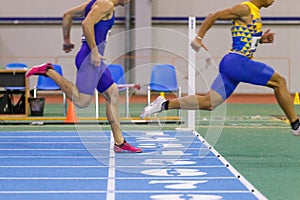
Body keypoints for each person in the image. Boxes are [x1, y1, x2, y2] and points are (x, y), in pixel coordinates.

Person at [140, 0, 300, 136]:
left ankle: (163, 104)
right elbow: (213, 15)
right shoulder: (244, 8)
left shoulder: (255, 14)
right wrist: (199, 37)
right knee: (279, 82)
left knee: (208, 103)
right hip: (237, 62)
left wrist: (261, 39)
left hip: (234, 65)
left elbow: (244, 39)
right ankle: (296, 124)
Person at [26, 0, 142, 152]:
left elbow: (67, 15)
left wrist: (67, 40)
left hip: (93, 59)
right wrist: (94, 51)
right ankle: (48, 71)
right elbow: (86, 24)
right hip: (90, 58)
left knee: (112, 94)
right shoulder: (106, 5)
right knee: (81, 101)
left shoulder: (94, 3)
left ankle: (119, 143)